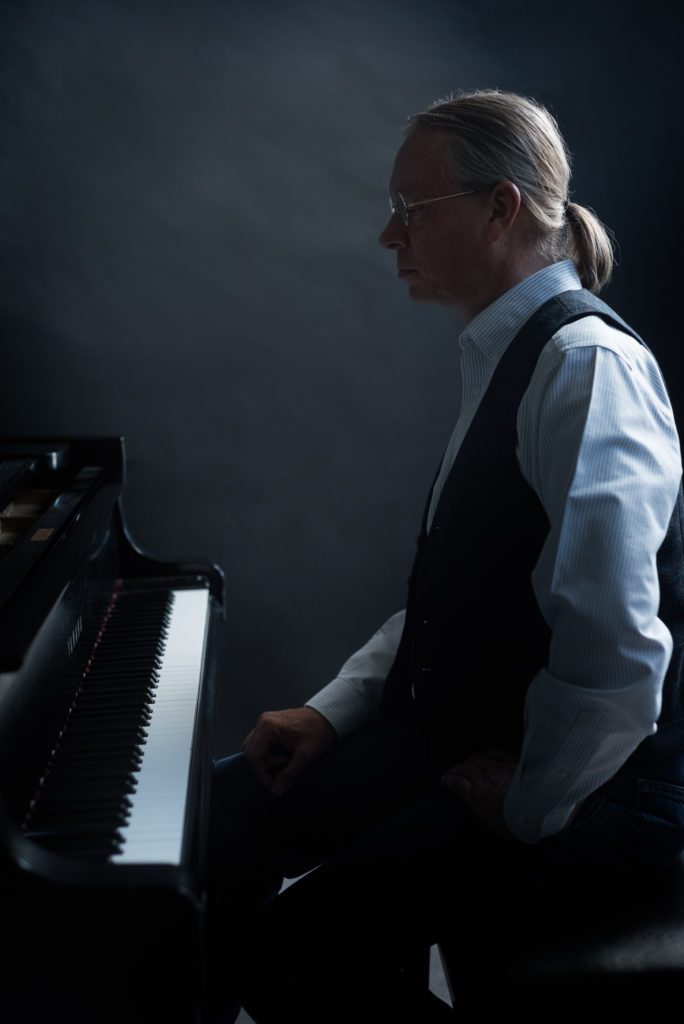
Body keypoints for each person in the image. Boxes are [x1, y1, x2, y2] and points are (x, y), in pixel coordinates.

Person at [204, 88, 684, 1023]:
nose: (391, 238)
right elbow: (462, 596)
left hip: (602, 788)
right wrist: (332, 713)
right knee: (217, 821)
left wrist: (530, 805)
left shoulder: (587, 367)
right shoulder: (507, 355)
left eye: (410, 211)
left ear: (502, 208)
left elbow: (617, 654)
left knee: (291, 953)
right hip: (480, 732)